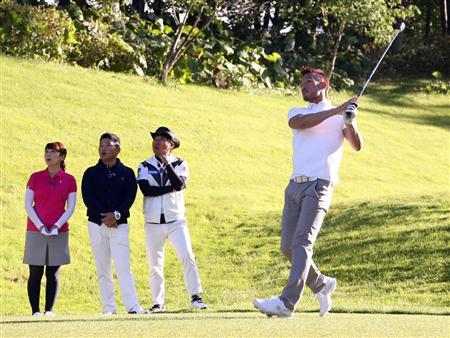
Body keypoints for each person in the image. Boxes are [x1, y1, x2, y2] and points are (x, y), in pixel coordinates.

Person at [253, 66, 363, 318]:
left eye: (310, 81)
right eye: (302, 82)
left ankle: (286, 303)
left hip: (320, 184)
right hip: (294, 185)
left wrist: (350, 122)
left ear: (323, 85)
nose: (304, 86)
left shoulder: (341, 117)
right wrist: (337, 111)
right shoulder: (298, 111)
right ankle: (322, 284)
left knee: (302, 243)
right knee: (287, 247)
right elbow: (300, 124)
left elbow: (356, 145)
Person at [137, 127, 207, 313]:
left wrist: (168, 165)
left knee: (187, 256)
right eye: (155, 139)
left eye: (162, 140)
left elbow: (179, 184)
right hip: (153, 222)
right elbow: (147, 190)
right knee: (155, 264)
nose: (157, 143)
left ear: (171, 144)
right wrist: (172, 188)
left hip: (176, 220)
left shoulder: (180, 163)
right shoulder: (144, 165)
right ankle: (157, 303)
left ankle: (196, 296)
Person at [81, 133, 147, 315]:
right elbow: (88, 198)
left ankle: (132, 306)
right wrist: (105, 216)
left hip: (120, 226)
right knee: (103, 267)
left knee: (123, 265)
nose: (103, 148)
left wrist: (116, 215)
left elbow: (129, 198)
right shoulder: (90, 173)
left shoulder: (127, 173)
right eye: (100, 145)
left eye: (107, 145)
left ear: (117, 149)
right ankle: (109, 307)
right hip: (96, 224)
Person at [23, 142, 77, 317]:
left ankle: (48, 310)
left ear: (61, 157)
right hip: (35, 230)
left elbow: (70, 208)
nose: (48, 155)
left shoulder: (69, 180)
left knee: (53, 271)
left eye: (53, 152)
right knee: (35, 271)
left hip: (59, 231)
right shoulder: (35, 177)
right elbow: (28, 205)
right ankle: (35, 311)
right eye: (46, 151)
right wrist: (40, 226)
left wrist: (56, 226)